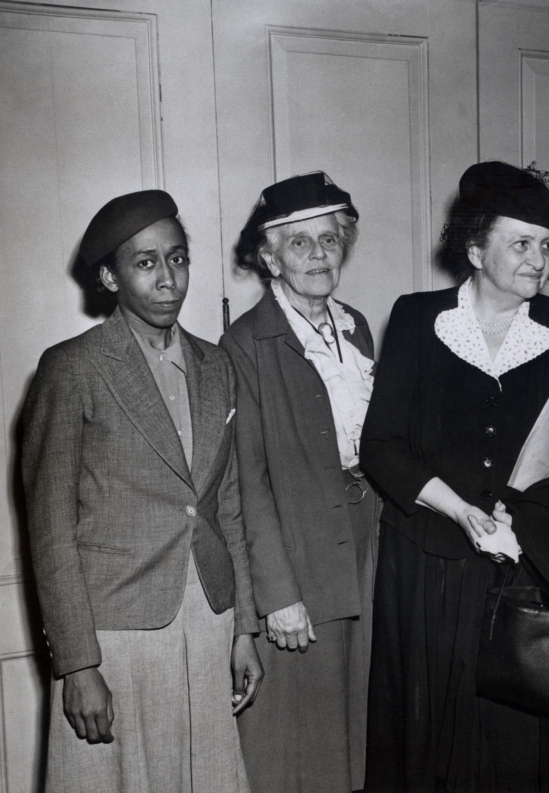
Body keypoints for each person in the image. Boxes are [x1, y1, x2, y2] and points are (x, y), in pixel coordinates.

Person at [361, 160, 549, 792]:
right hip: (429, 561)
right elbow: (381, 445)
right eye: (520, 243)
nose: (538, 259)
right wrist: (462, 511)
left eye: (546, 246)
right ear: (474, 248)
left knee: (519, 740)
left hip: (526, 563)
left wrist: (530, 524)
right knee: (432, 732)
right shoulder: (417, 318)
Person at [22, 190, 262, 793]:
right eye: (146, 262)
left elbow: (226, 506)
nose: (168, 280)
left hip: (208, 616)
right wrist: (78, 663)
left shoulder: (216, 366)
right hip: (114, 630)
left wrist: (244, 630)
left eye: (177, 259)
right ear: (109, 276)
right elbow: (50, 528)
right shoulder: (72, 367)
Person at [220, 172, 380, 792]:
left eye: (329, 240)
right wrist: (277, 595)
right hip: (299, 560)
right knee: (298, 740)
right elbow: (247, 482)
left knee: (354, 723)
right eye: (300, 243)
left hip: (366, 543)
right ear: (269, 258)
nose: (319, 255)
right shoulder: (244, 344)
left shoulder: (356, 326)